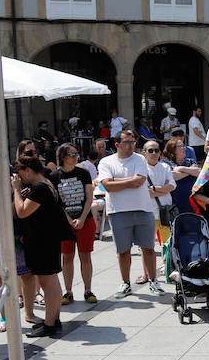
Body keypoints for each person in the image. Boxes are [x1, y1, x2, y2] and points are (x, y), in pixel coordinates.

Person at [11, 152, 73, 337]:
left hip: (42, 241)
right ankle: (54, 319)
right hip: (47, 240)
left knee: (47, 283)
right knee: (51, 280)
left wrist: (16, 190)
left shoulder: (40, 188)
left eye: (20, 174)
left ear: (28, 171)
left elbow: (22, 212)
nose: (20, 178)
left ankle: (49, 324)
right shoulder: (46, 184)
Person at [98, 131, 162, 297]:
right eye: (127, 142)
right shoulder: (106, 162)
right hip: (118, 211)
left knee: (148, 248)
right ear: (117, 145)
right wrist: (127, 181)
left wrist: (114, 180)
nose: (132, 145)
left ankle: (153, 281)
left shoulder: (139, 158)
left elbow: (139, 182)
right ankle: (125, 283)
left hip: (143, 209)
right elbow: (106, 186)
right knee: (123, 251)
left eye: (133, 142)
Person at [50, 143, 96, 306]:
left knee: (85, 255)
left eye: (77, 153)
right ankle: (68, 292)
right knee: (67, 256)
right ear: (63, 156)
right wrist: (69, 220)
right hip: (64, 223)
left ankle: (88, 290)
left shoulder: (83, 173)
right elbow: (56, 202)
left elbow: (89, 197)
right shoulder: (54, 176)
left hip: (85, 220)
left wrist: (82, 218)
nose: (76, 157)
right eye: (72, 154)